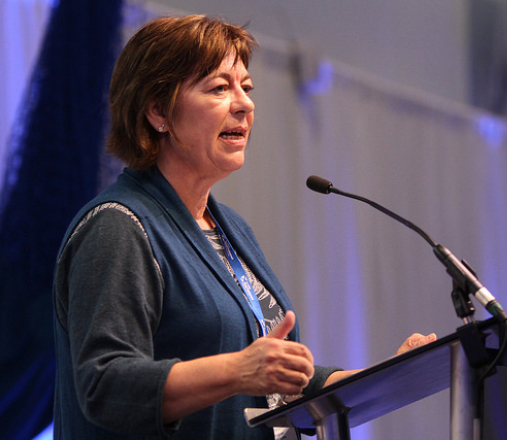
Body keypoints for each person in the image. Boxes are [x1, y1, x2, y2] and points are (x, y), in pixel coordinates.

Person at [53, 15, 437, 440]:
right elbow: (105, 386)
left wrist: (386, 376)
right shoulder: (118, 227)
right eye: (219, 88)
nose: (244, 104)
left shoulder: (229, 227)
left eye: (246, 87)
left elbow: (276, 387)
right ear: (158, 111)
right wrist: (238, 370)